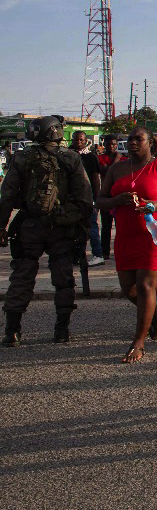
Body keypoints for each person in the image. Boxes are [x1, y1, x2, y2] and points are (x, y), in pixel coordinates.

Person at [0, 116, 94, 347]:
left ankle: (12, 331)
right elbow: (84, 198)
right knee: (63, 279)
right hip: (60, 229)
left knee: (21, 277)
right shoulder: (70, 157)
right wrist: (82, 226)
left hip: (30, 227)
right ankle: (61, 330)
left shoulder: (22, 157)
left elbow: (8, 195)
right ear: (55, 132)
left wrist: (1, 226)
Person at [98, 126, 157, 362]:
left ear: (150, 143)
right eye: (130, 139)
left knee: (145, 284)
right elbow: (101, 200)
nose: (133, 142)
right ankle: (154, 313)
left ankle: (139, 342)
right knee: (129, 289)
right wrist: (117, 200)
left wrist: (156, 205)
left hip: (154, 233)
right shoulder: (117, 169)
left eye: (139, 139)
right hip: (126, 235)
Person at [70, 130, 105, 267]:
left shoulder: (91, 157)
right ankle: (76, 255)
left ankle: (97, 254)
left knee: (92, 227)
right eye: (76, 140)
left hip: (88, 198)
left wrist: (97, 198)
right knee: (74, 229)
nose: (78, 142)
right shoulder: (68, 155)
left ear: (86, 141)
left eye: (81, 140)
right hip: (72, 198)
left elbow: (96, 178)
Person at [98, 133, 120, 260]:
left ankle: (118, 250)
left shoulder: (123, 159)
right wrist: (117, 160)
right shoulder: (101, 158)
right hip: (106, 194)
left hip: (118, 194)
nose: (111, 146)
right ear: (104, 145)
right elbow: (107, 171)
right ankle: (105, 252)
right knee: (106, 226)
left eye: (113, 144)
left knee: (120, 226)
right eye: (109, 144)